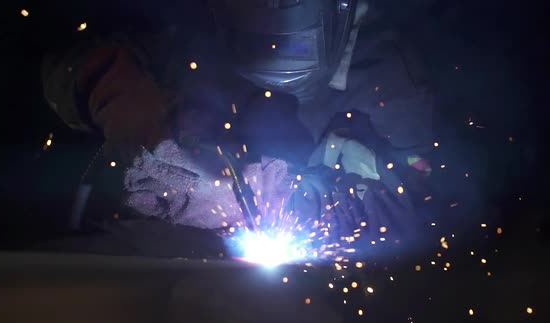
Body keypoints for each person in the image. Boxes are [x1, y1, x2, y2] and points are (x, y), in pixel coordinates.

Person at [41, 0, 433, 251]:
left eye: (289, 44)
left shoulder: (398, 88)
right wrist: (111, 88)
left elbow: (422, 208)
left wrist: (277, 204)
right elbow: (63, 54)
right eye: (252, 39)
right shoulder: (193, 30)